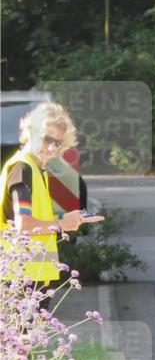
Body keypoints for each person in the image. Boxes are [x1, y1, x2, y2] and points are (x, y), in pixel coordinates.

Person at [1, 102, 103, 289]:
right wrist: (63, 224)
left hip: (29, 277)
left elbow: (35, 220)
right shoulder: (23, 169)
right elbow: (24, 225)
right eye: (47, 139)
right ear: (32, 133)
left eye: (58, 143)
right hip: (20, 280)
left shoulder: (36, 169)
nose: (52, 148)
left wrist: (67, 218)